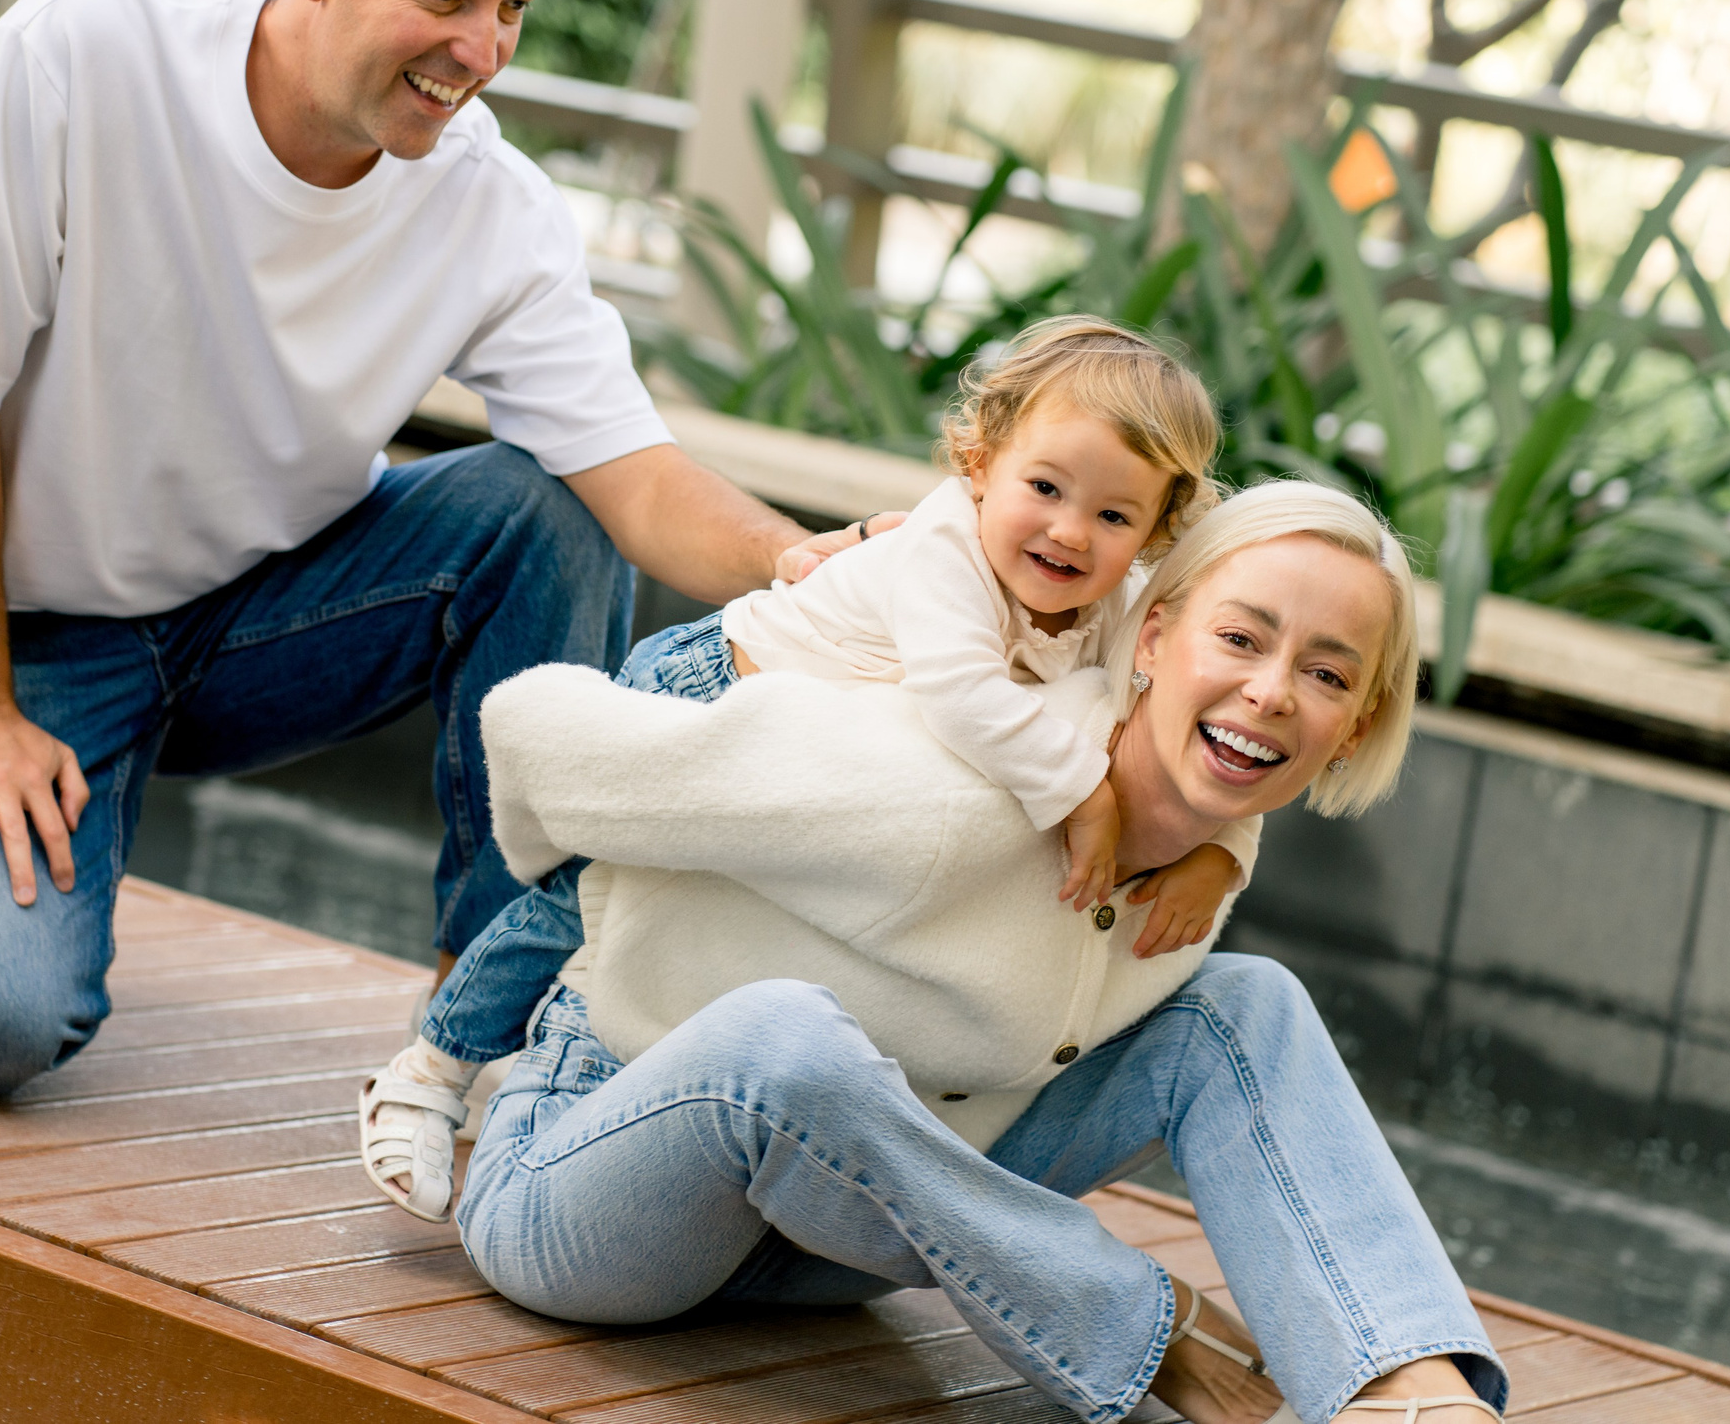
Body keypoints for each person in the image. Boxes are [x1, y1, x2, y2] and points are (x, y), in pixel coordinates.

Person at [0, 0, 877, 1101]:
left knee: (536, 508)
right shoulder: (79, 54)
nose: (483, 47)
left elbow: (640, 480)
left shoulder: (492, 204)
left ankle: (487, 1019)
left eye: (512, 8)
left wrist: (816, 569)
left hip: (243, 622)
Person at [458, 481, 1507, 1424]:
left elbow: (1223, 785)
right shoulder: (948, 779)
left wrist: (1220, 851)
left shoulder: (1202, 844)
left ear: (1353, 727)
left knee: (1245, 1008)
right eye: (1241, 640)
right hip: (591, 1192)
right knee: (784, 1035)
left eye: (1324, 673)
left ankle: (1405, 1392)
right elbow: (547, 747)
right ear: (1151, 638)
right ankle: (1150, 1330)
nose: (1273, 692)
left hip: (833, 1247)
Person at [359, 316, 1261, 1219]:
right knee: (580, 897)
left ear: (1156, 528)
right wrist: (1085, 792)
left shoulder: (1113, 604)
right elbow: (960, 691)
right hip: (713, 691)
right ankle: (429, 1070)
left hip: (808, 761)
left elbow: (1186, 711)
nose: (1070, 531)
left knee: (699, 922)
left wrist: (1221, 850)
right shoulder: (945, 548)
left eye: (1112, 515)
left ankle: (574, 1073)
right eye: (1045, 486)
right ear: (979, 463)